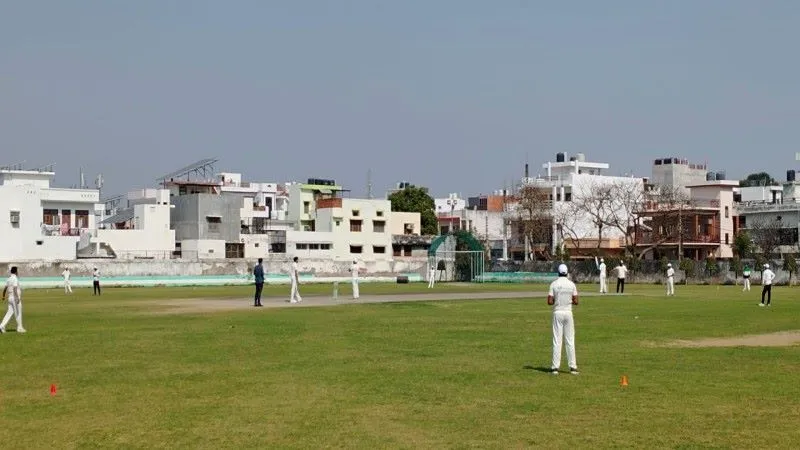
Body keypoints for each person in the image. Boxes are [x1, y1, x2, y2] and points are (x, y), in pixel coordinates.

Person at [548, 264, 579, 375]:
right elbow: (576, 301)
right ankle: (573, 367)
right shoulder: (571, 284)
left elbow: (549, 301)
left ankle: (555, 367)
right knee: (570, 340)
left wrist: (557, 299)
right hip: (568, 312)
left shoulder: (554, 284)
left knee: (557, 340)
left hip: (557, 312)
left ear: (558, 272)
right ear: (566, 272)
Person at [1, 266, 26, 333]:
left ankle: (1, 326)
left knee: (9, 313)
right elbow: (15, 288)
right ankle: (20, 328)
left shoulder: (8, 279)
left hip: (10, 298)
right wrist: (17, 297)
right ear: (16, 271)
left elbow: (5, 288)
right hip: (15, 298)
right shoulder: (15, 278)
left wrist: (3, 296)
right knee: (18, 313)